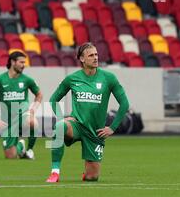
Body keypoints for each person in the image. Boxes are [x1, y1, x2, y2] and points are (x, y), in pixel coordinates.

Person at [46, 42, 130, 183]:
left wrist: (112, 128)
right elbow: (53, 99)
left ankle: (87, 173)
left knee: (92, 177)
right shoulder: (72, 78)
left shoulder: (109, 78)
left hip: (95, 132)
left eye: (96, 54)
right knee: (59, 127)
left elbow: (125, 103)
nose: (95, 58)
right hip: (77, 124)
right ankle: (55, 172)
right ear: (82, 59)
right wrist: (62, 118)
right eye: (91, 55)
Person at [0, 51, 43, 159]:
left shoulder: (27, 79)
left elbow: (39, 94)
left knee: (32, 122)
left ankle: (30, 150)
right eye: (21, 62)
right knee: (11, 156)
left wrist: (33, 110)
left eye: (24, 62)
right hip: (7, 120)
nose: (23, 65)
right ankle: (21, 145)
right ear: (12, 62)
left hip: (23, 115)